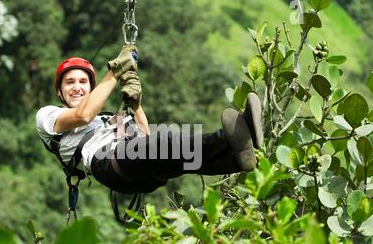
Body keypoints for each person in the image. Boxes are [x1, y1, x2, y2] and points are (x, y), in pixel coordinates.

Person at [36, 45, 263, 195]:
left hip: (133, 169)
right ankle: (232, 136)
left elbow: (144, 135)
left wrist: (136, 104)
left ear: (90, 88)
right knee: (168, 143)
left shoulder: (105, 118)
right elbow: (82, 115)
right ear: (59, 92)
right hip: (108, 163)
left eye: (83, 82)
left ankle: (236, 157)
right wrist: (117, 70)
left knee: (179, 157)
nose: (77, 87)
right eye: (69, 82)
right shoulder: (48, 116)